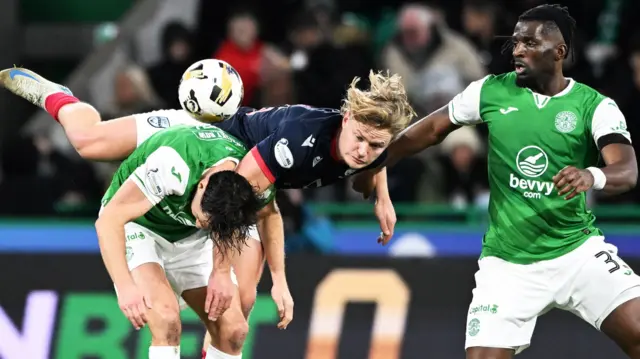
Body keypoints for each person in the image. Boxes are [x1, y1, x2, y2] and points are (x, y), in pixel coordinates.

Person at [0, 66, 414, 354]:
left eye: (375, 146)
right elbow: (231, 198)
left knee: (240, 311)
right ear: (345, 119)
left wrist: (383, 194)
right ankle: (57, 96)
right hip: (201, 135)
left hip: (232, 186)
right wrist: (219, 272)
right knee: (90, 143)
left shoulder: (371, 142)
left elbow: (372, 156)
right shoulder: (294, 146)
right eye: (359, 139)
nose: (364, 151)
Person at [355, 4, 640, 358]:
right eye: (516, 42)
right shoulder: (489, 92)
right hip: (507, 265)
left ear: (560, 52)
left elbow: (626, 170)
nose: (518, 50)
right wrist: (379, 161)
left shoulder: (594, 106)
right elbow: (429, 130)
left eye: (530, 43)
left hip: (576, 253)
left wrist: (590, 175)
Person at [99, 123, 265, 359]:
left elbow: (234, 225)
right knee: (167, 320)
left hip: (188, 238)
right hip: (138, 225)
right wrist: (125, 286)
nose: (200, 223)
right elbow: (108, 220)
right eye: (201, 217)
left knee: (234, 330)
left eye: (210, 225)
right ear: (202, 184)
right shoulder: (173, 163)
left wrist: (221, 271)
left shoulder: (248, 180)